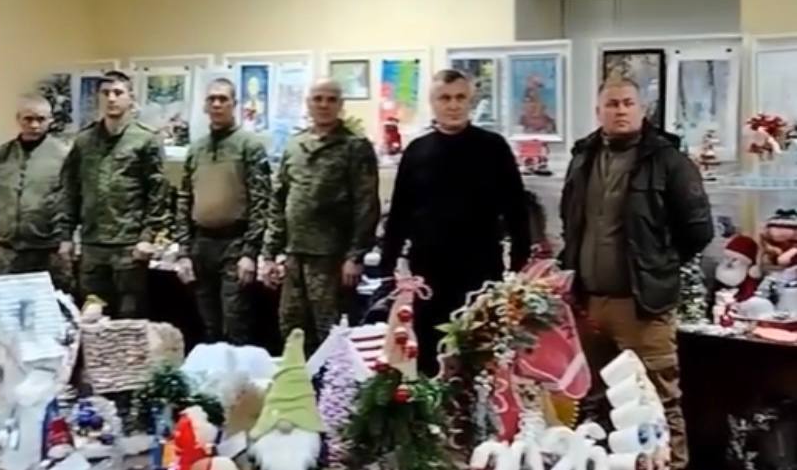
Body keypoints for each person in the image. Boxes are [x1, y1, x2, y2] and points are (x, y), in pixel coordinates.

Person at [560, 77, 713, 470]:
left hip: (643, 305)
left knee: (658, 402)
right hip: (589, 303)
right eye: (612, 104)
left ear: (642, 110)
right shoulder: (583, 157)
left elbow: (698, 231)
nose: (621, 110)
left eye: (628, 103)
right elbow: (570, 221)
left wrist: (658, 265)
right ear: (598, 111)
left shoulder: (668, 161)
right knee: (595, 403)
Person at [381, 69, 531, 375]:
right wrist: (388, 266)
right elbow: (399, 214)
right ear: (433, 102)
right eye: (445, 98)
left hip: (481, 272)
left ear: (470, 101)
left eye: (460, 97)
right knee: (429, 357)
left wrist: (520, 262)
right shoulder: (417, 151)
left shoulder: (493, 147)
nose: (453, 105)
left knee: (480, 359)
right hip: (429, 274)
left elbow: (516, 208)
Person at [261, 78, 380, 354]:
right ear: (308, 103)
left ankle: (331, 383)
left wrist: (355, 256)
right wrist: (269, 253)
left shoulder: (355, 146)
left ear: (340, 105)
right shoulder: (295, 145)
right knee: (292, 329)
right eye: (318, 99)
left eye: (331, 99)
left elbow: (366, 204)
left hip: (332, 258)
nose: (324, 105)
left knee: (331, 333)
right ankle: (298, 379)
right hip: (294, 255)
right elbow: (279, 201)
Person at [61, 71, 169, 318]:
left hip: (128, 244)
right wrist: (66, 235)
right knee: (92, 315)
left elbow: (157, 192)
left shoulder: (146, 139)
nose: (111, 98)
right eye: (106, 93)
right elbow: (70, 189)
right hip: (92, 244)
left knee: (129, 317)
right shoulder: (84, 141)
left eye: (118, 93)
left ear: (131, 98)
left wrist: (148, 237)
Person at [174, 78, 271, 344]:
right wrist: (183, 251)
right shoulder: (196, 149)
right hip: (201, 245)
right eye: (212, 99)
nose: (217, 104)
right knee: (208, 326)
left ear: (234, 104)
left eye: (223, 99)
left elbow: (261, 200)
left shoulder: (249, 146)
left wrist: (250, 252)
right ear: (205, 106)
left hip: (235, 244)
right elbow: (184, 198)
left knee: (235, 322)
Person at [0, 94, 73, 291]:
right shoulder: (2, 154)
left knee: (50, 304)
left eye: (41, 119)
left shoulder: (63, 155)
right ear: (18, 119)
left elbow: (72, 197)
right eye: (28, 119)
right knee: (7, 302)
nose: (34, 125)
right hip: (8, 248)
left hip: (48, 247)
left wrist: (68, 238)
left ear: (50, 120)